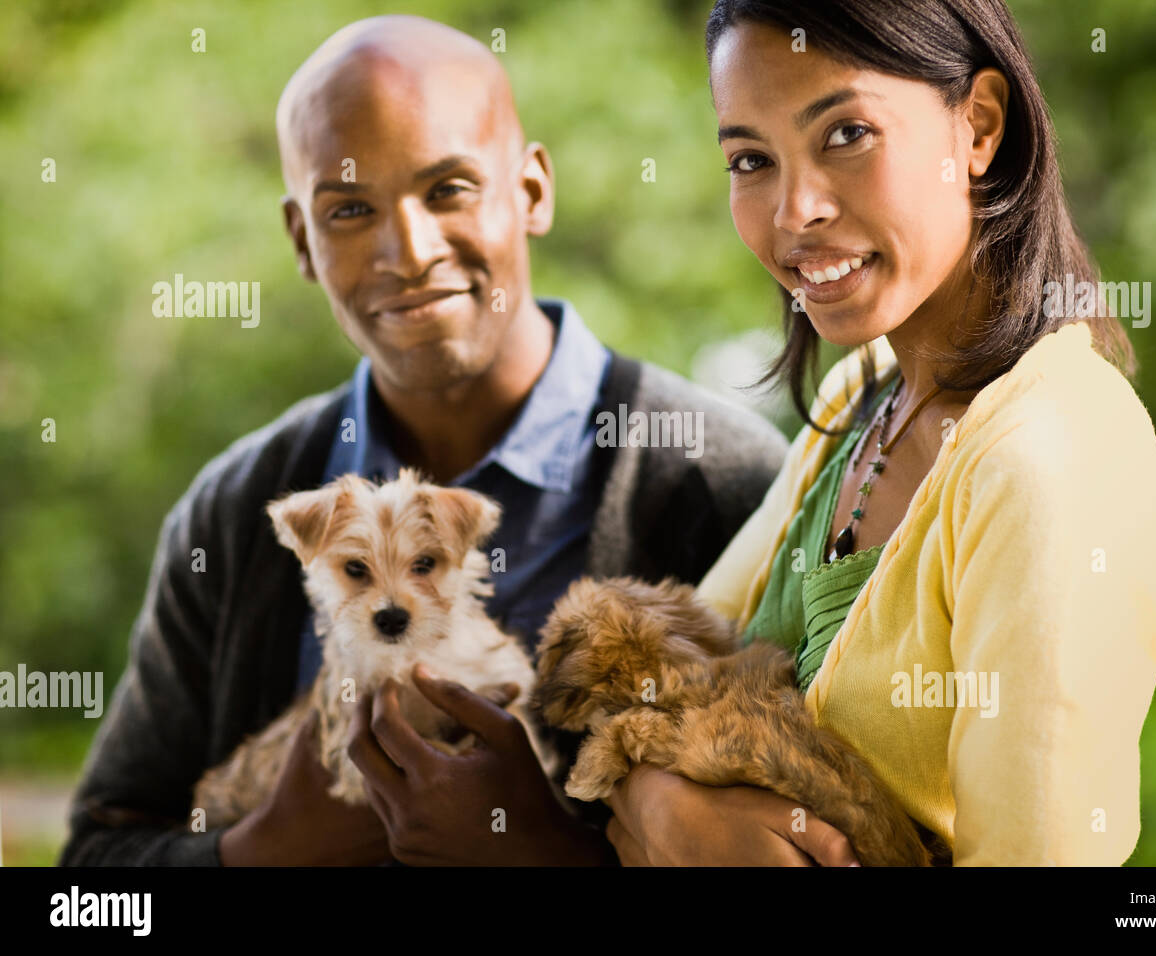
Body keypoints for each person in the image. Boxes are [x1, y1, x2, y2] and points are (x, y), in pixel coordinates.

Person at [58, 16, 788, 867]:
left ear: (533, 190)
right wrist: (263, 850)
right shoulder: (234, 511)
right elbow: (90, 885)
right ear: (302, 239)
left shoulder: (723, 485)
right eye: (350, 209)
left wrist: (546, 852)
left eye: (448, 189)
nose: (407, 251)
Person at [606, 0, 1156, 866]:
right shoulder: (862, 398)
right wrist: (663, 807)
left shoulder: (1049, 459)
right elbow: (656, 678)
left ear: (980, 127)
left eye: (846, 134)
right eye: (751, 159)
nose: (794, 211)